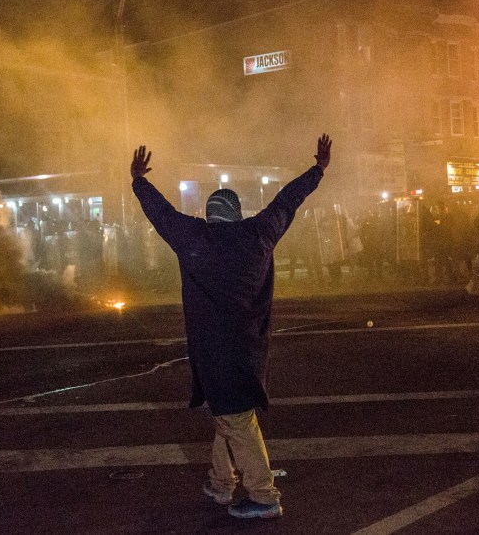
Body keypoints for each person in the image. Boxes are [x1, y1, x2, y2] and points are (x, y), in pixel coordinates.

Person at [129, 134, 331, 520]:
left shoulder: (195, 238)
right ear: (237, 213)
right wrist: (317, 170)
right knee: (230, 413)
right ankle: (222, 483)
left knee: (235, 419)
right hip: (249, 346)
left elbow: (162, 213)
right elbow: (287, 202)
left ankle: (263, 494)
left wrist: (139, 180)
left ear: (210, 214)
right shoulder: (258, 235)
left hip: (213, 349)